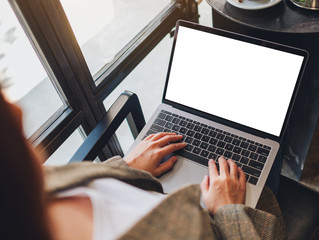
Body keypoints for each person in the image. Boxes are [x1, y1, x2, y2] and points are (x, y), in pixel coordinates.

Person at [0, 89, 286, 240]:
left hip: (154, 185)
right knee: (258, 185)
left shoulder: (40, 186)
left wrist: (126, 169)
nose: (16, 108)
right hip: (220, 219)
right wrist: (228, 211)